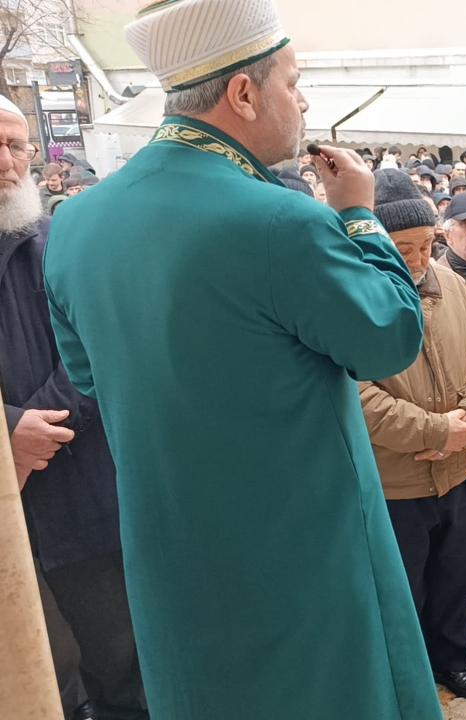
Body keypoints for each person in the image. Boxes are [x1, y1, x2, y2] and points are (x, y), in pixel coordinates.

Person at [43, 2, 444, 716]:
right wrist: (358, 213)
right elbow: (390, 338)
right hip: (300, 551)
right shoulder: (282, 220)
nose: (304, 100)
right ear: (243, 92)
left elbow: (87, 376)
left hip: (169, 546)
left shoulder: (75, 221)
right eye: (293, 82)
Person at [1, 97, 147, 720]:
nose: (9, 163)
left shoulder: (61, 244)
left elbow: (102, 348)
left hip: (81, 498)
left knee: (120, 668)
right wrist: (7, 433)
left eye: (18, 147)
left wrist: (37, 434)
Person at [361, 169, 466, 701]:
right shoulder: (355, 298)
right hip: (396, 482)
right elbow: (355, 393)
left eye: (427, 245)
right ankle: (407, 677)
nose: (420, 260)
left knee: (454, 577)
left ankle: (451, 660)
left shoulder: (451, 286)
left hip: (457, 470)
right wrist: (432, 430)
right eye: (404, 249)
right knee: (405, 588)